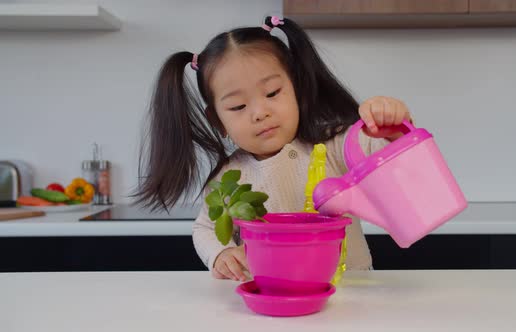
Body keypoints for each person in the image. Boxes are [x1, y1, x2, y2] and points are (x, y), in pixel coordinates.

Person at [135, 16, 413, 281]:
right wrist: (220, 254)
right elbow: (205, 228)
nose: (259, 113)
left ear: (298, 90)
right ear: (218, 120)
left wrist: (390, 127)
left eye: (272, 93)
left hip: (351, 291)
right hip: (274, 295)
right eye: (238, 107)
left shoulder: (332, 145)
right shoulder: (228, 178)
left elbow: (384, 153)